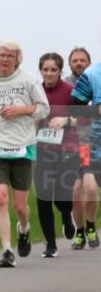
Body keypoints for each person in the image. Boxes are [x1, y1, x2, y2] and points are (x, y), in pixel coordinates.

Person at [0, 40, 50, 267]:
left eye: (10, 56)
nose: (5, 59)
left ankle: (24, 228)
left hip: (23, 147)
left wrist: (22, 109)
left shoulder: (28, 81)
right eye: (2, 55)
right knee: (0, 198)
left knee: (20, 206)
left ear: (17, 59)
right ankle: (7, 250)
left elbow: (43, 108)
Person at [35, 53, 80, 257]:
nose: (49, 73)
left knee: (61, 198)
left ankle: (66, 215)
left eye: (54, 70)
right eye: (46, 69)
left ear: (60, 71)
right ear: (41, 70)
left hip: (67, 149)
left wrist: (65, 120)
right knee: (43, 197)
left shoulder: (71, 91)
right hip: (43, 148)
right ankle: (50, 245)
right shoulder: (36, 91)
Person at [66, 47, 99, 249]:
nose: (79, 63)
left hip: (91, 143)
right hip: (70, 144)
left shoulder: (94, 79)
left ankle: (92, 226)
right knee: (76, 193)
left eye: (83, 60)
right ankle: (80, 231)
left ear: (89, 62)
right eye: (75, 60)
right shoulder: (65, 85)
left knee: (91, 188)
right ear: (70, 64)